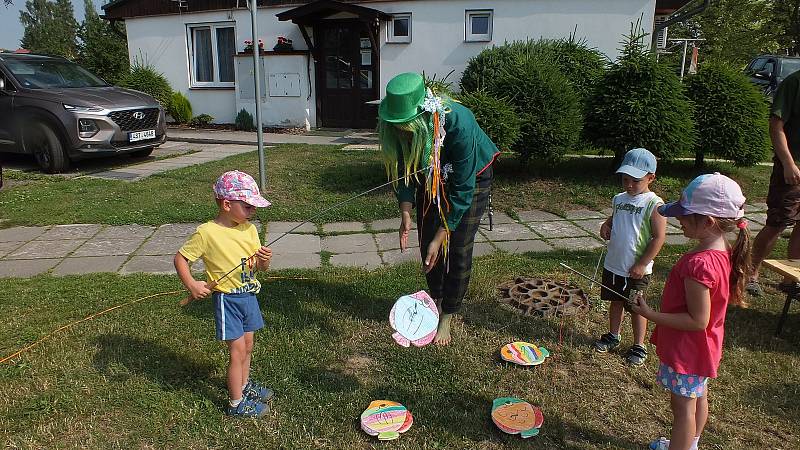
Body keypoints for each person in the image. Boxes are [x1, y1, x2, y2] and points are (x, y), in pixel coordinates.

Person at [378, 72, 500, 346]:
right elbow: (405, 169)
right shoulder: (400, 129)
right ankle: (435, 299)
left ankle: (449, 312)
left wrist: (442, 234)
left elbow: (462, 189)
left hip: (471, 179)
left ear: (422, 113)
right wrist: (406, 212)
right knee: (427, 244)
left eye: (404, 125)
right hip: (431, 174)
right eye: (396, 126)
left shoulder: (459, 122)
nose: (400, 131)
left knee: (456, 246)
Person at [631, 173, 750, 450]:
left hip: (689, 350)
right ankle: (691, 444)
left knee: (682, 408)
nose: (678, 220)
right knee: (698, 397)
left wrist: (650, 314)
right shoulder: (723, 252)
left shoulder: (700, 265)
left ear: (707, 222)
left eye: (684, 216)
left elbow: (698, 320)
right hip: (704, 349)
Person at [174, 170, 275, 418]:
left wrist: (264, 261)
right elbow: (180, 259)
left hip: (248, 295)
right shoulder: (207, 233)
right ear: (227, 204)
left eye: (254, 207)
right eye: (247, 206)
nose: (252, 211)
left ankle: (243, 384)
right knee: (237, 350)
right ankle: (235, 404)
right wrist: (192, 284)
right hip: (227, 299)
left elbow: (258, 267)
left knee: (248, 345)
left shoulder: (249, 229)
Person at [594, 148, 666, 366]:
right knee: (615, 302)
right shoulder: (619, 199)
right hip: (614, 265)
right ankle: (613, 335)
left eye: (635, 180)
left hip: (636, 269)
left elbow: (658, 237)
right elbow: (616, 216)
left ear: (651, 178)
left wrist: (642, 264)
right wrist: (607, 225)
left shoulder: (654, 204)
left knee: (636, 307)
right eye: (625, 179)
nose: (629, 185)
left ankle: (639, 344)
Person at [747, 69, 800, 296]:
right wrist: (788, 163)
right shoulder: (794, 82)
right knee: (778, 222)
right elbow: (776, 126)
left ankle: (791, 278)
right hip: (792, 166)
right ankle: (750, 274)